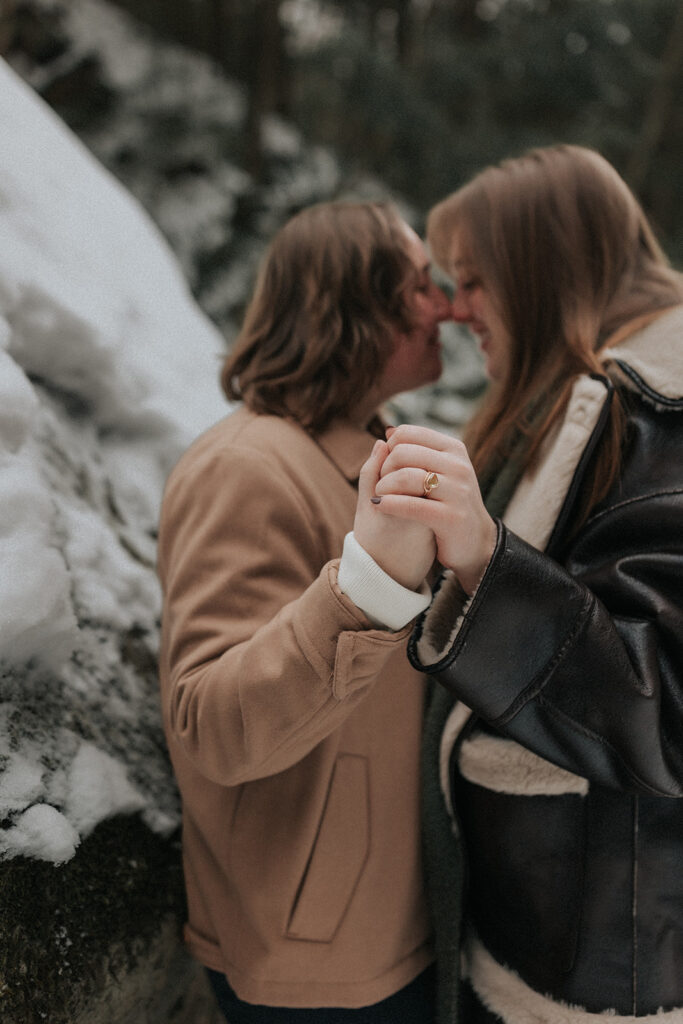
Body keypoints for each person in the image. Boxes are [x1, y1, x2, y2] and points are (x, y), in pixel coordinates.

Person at [340, 145, 683, 1022]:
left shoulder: (664, 414)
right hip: (550, 934)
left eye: (472, 280)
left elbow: (667, 711)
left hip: (595, 974)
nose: (452, 311)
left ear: (544, 270)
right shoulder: (589, 393)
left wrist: (485, 560)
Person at [156, 200, 452, 1023]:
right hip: (313, 957)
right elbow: (210, 722)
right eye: (420, 283)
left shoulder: (374, 449)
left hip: (385, 921)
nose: (447, 305)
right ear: (351, 299)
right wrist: (365, 591)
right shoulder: (246, 468)